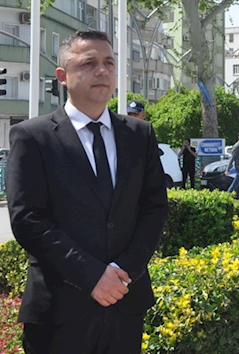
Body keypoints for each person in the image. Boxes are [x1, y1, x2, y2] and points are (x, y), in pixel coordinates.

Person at [5, 30, 169, 354]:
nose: (102, 71)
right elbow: (27, 219)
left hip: (125, 304)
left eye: (109, 62)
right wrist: (93, 276)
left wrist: (123, 274)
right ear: (63, 76)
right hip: (58, 312)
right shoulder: (32, 137)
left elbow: (154, 208)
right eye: (89, 63)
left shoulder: (139, 134)